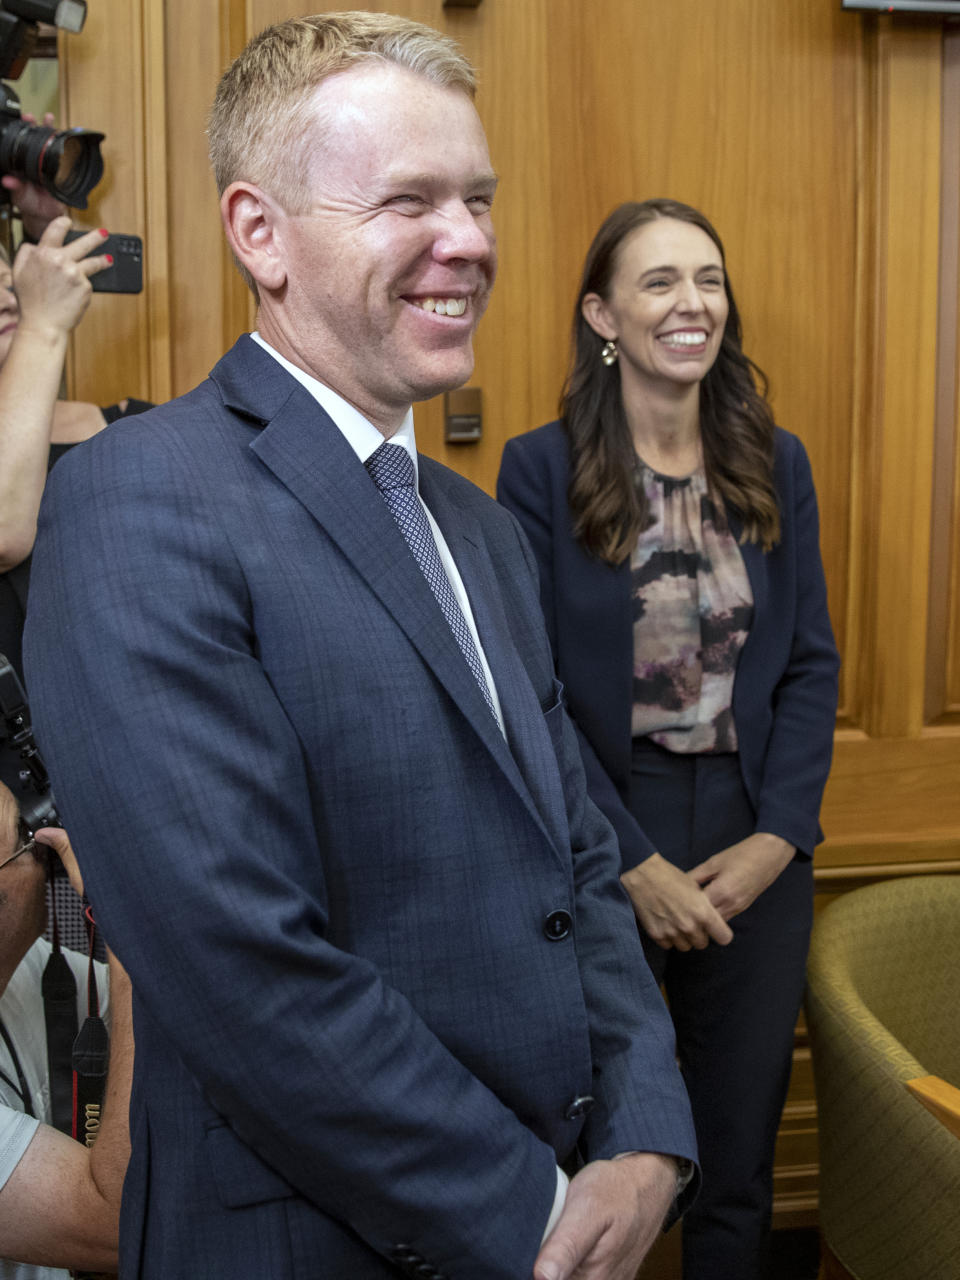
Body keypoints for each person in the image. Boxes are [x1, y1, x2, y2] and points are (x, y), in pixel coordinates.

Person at [23, 17, 699, 1280]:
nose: (473, 242)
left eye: (480, 198)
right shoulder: (137, 497)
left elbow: (582, 860)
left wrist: (649, 1136)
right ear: (258, 232)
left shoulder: (481, 529)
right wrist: (535, 1211)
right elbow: (240, 965)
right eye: (410, 200)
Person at [497, 199, 840, 1280]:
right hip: (603, 832)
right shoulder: (538, 471)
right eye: (659, 281)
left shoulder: (774, 461)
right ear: (602, 313)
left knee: (737, 1157)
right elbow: (531, 689)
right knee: (602, 1148)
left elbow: (810, 665)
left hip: (756, 831)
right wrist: (632, 864)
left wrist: (778, 838)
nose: (692, 302)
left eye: (709, 279)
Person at [0, 219, 152, 691]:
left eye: (11, 284)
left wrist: (47, 219)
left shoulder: (131, 425)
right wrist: (44, 326)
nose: (7, 300)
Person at [0, 781, 133, 1279]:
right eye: (24, 840)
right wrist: (127, 924)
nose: (46, 853)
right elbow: (122, 1225)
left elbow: (166, 1030)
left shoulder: (33, 968)